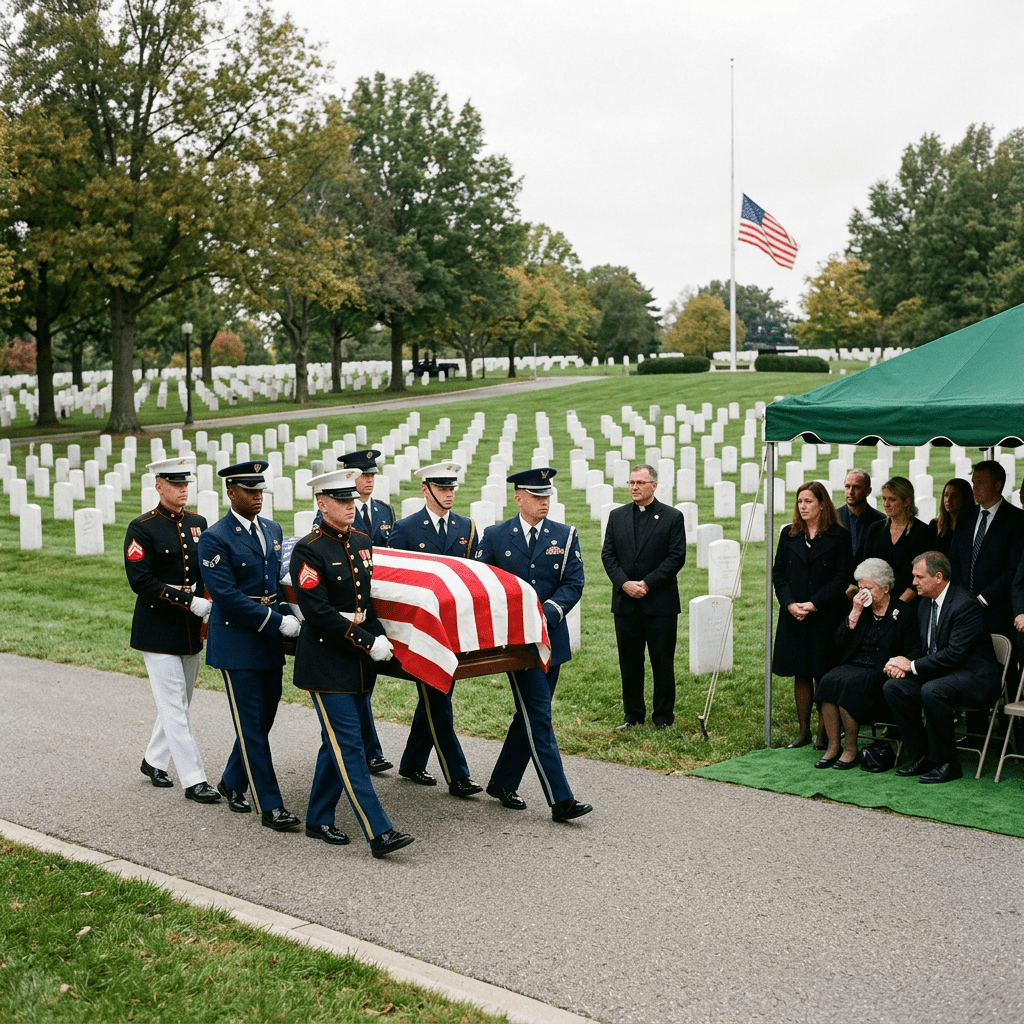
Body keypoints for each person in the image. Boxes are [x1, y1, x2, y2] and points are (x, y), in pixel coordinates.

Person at [289, 468, 414, 858]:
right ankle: (379, 832)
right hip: (327, 659)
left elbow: (365, 601)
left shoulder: (361, 540)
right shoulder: (308, 550)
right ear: (321, 504)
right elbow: (320, 612)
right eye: (341, 501)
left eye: (352, 500)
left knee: (341, 743)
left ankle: (318, 817)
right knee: (350, 745)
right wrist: (365, 640)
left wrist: (381, 637)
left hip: (358, 661)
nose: (350, 506)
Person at [475, 468, 591, 821]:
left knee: (528, 714)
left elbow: (574, 581)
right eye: (537, 496)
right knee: (539, 714)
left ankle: (502, 781)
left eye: (547, 496)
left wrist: (549, 613)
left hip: (550, 639)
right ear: (519, 498)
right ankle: (561, 800)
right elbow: (485, 584)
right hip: (517, 644)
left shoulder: (565, 535)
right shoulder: (495, 536)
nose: (544, 502)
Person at [198, 461, 303, 831]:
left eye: (260, 490)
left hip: (268, 642)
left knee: (263, 718)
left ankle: (231, 780)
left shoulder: (272, 529)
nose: (258, 496)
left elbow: (274, 582)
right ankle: (271, 806)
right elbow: (226, 595)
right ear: (231, 492)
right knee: (252, 726)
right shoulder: (215, 537)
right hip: (237, 642)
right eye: (249, 491)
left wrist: (294, 614)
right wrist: (277, 621)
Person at [124, 456, 220, 804]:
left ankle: (153, 761)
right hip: (158, 629)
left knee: (181, 702)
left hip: (190, 629)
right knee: (175, 705)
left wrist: (208, 602)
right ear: (159, 486)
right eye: (175, 484)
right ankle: (194, 779)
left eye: (186, 484)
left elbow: (206, 569)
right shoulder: (142, 528)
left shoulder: (198, 522)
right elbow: (141, 580)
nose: (183, 490)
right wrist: (186, 599)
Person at [387, 462, 483, 797]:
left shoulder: (466, 527)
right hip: (420, 631)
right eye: (442, 488)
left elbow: (471, 578)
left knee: (436, 696)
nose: (449, 494)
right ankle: (458, 775)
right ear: (425, 490)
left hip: (453, 630)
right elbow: (396, 585)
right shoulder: (406, 529)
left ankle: (413, 761)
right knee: (438, 698)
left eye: (452, 488)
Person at [883, 551, 1002, 783]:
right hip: (943, 673)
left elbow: (955, 655)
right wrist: (902, 664)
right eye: (913, 577)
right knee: (894, 688)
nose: (914, 582)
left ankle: (948, 763)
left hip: (975, 677)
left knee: (933, 690)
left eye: (919, 577)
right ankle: (922, 756)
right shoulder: (925, 605)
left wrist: (912, 665)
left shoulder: (964, 604)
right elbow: (924, 647)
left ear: (938, 577)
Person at [313, 448, 395, 775]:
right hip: (345, 613)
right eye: (363, 475)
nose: (369, 480)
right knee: (354, 690)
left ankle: (365, 750)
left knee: (363, 685)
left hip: (372, 605)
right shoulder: (331, 518)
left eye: (373, 474)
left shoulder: (386, 511)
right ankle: (367, 751)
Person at [600, 463, 687, 731]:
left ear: (654, 486)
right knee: (630, 662)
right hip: (626, 603)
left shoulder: (672, 517)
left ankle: (663, 717)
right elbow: (608, 555)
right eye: (631, 483)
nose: (634, 488)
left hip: (659, 603)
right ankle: (633, 715)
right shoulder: (617, 516)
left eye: (640, 483)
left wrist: (647, 584)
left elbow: (676, 557)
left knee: (662, 662)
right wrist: (624, 583)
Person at [772, 481, 853, 749]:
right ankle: (803, 730)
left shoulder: (838, 536)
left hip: (824, 614)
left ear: (821, 504)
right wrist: (790, 604)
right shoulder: (789, 534)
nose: (802, 506)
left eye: (808, 501)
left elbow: (842, 577)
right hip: (794, 614)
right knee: (801, 673)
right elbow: (779, 573)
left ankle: (824, 732)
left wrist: (814, 604)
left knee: (822, 672)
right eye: (799, 502)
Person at [814, 558, 916, 769]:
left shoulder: (902, 612)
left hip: (880, 668)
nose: (863, 593)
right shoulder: (860, 610)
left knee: (849, 685)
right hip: (854, 663)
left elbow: (910, 649)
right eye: (860, 588)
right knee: (828, 680)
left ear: (885, 587)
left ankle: (851, 748)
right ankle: (833, 746)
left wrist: (898, 664)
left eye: (868, 588)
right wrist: (855, 613)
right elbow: (838, 643)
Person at [948, 460, 1024, 641]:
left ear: (998, 485)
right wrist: (964, 597)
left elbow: (1013, 569)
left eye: (980, 482)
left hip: (998, 610)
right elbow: (955, 559)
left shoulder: (1017, 520)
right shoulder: (965, 517)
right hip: (965, 607)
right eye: (973, 482)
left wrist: (982, 599)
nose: (974, 488)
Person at [858, 476, 937, 605]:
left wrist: (898, 606)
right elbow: (866, 566)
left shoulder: (923, 532)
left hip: (910, 603)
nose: (886, 504)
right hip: (876, 601)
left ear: (906, 502)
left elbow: (923, 576)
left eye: (892, 500)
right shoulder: (875, 529)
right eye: (884, 499)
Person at [836, 469, 885, 564]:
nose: (850, 492)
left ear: (868, 491)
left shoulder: (881, 520)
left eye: (856, 487)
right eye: (847, 487)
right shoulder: (833, 517)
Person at [931, 478, 974, 556]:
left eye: (954, 496)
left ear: (965, 499)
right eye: (946, 495)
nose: (948, 500)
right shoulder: (935, 525)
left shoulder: (975, 526)